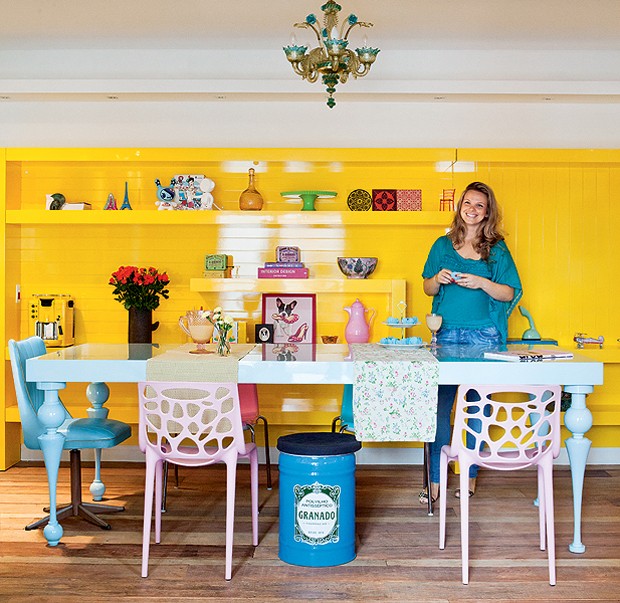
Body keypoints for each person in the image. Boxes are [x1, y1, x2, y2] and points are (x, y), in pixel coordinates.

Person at [420, 181, 522, 503]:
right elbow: (427, 289)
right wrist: (436, 279)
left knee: (476, 409)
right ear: (460, 206)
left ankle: (469, 475)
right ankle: (435, 481)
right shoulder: (441, 245)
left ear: (487, 211)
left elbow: (510, 292)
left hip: (484, 337)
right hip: (445, 334)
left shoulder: (497, 248)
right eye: (468, 203)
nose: (473, 209)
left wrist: (482, 282)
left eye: (480, 205)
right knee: (439, 410)